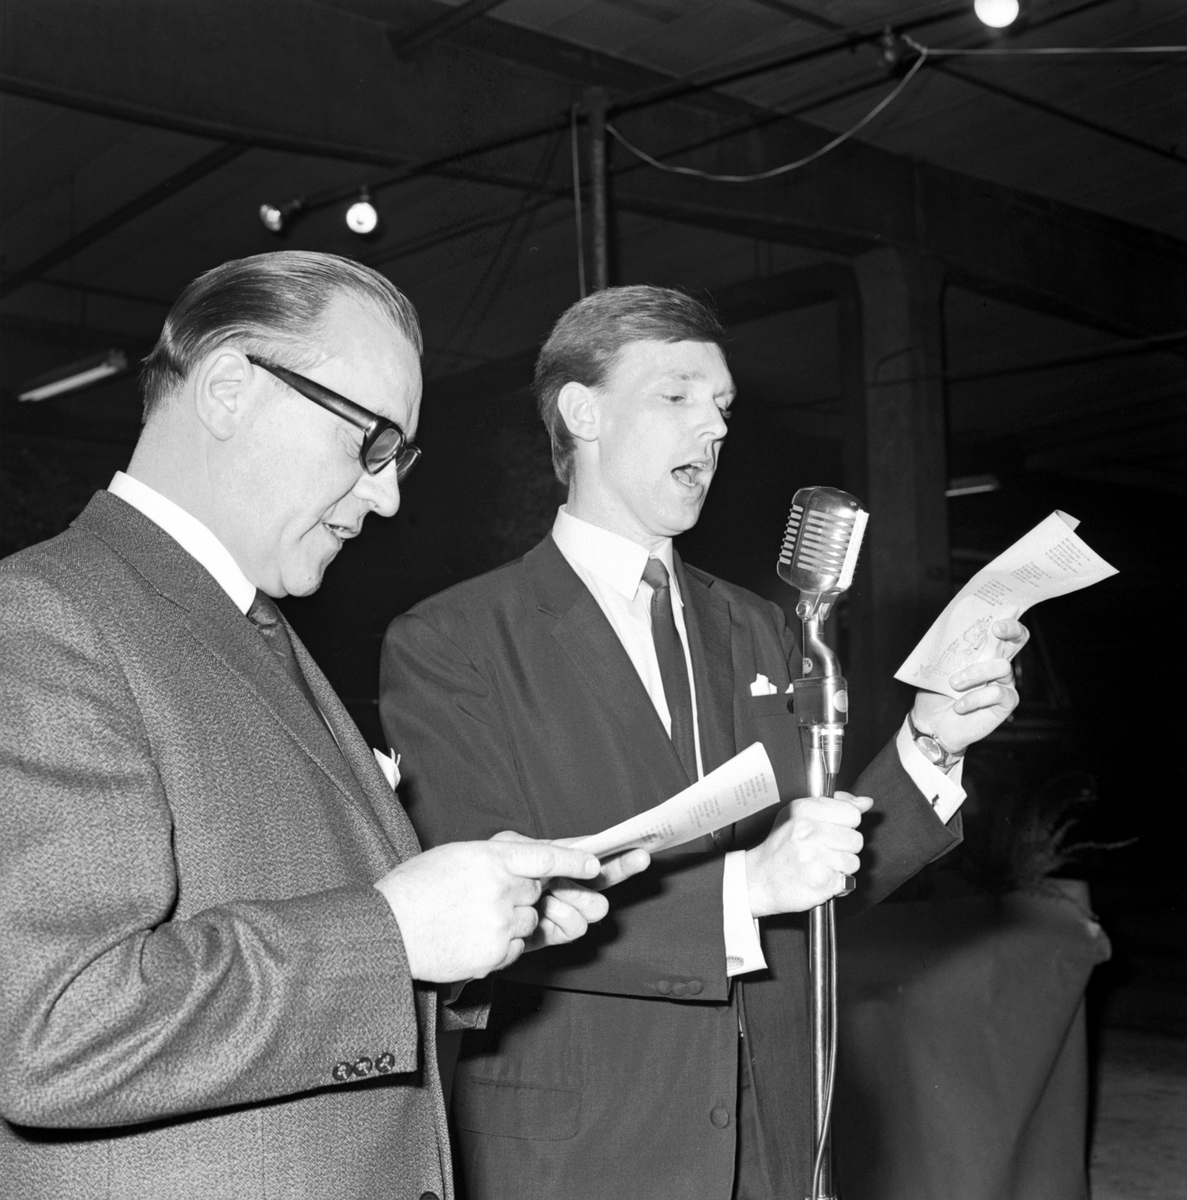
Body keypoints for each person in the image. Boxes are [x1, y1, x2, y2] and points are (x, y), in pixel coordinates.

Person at [0, 252, 646, 1200]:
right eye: (369, 441)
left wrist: (476, 929)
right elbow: (55, 1029)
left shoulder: (248, 626)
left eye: (399, 456)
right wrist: (394, 934)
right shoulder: (43, 618)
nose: (387, 495)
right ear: (229, 388)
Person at [379, 285, 1027, 1200]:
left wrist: (930, 741)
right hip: (585, 1151)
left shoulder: (763, 627)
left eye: (721, 406)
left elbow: (824, 879)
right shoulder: (453, 640)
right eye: (676, 395)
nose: (714, 427)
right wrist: (746, 886)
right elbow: (487, 917)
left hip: (775, 1135)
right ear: (582, 412)